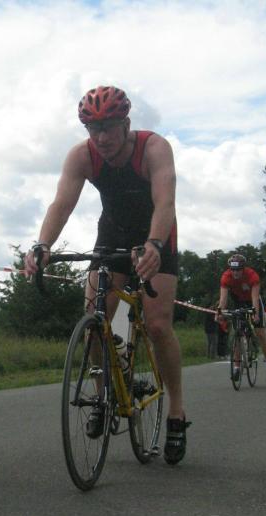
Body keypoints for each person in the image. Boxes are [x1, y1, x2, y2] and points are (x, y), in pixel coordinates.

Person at [24, 86, 189, 464]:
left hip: (157, 234)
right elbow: (61, 203)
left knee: (158, 325)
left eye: (109, 127)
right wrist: (43, 245)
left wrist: (154, 245)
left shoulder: (154, 148)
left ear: (126, 124)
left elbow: (165, 201)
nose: (101, 138)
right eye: (93, 129)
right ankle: (104, 394)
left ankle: (177, 411)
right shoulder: (81, 156)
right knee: (94, 320)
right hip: (112, 236)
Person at [216, 254, 266, 383]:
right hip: (238, 301)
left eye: (238, 270)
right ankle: (237, 367)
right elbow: (223, 299)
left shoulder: (252, 275)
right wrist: (219, 312)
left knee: (260, 333)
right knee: (238, 333)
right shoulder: (226, 277)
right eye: (233, 269)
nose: (235, 272)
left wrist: (255, 314)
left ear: (243, 268)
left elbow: (255, 298)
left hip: (253, 301)